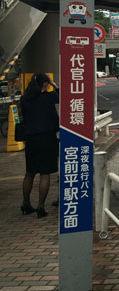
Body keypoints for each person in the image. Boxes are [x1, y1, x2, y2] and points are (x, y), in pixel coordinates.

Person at [20, 73, 59, 218]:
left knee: (30, 172)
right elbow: (63, 97)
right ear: (45, 84)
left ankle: (25, 203)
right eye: (47, 83)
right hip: (47, 138)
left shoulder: (25, 99)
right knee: (45, 173)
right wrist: (55, 85)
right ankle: (40, 207)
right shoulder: (49, 97)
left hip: (31, 140)